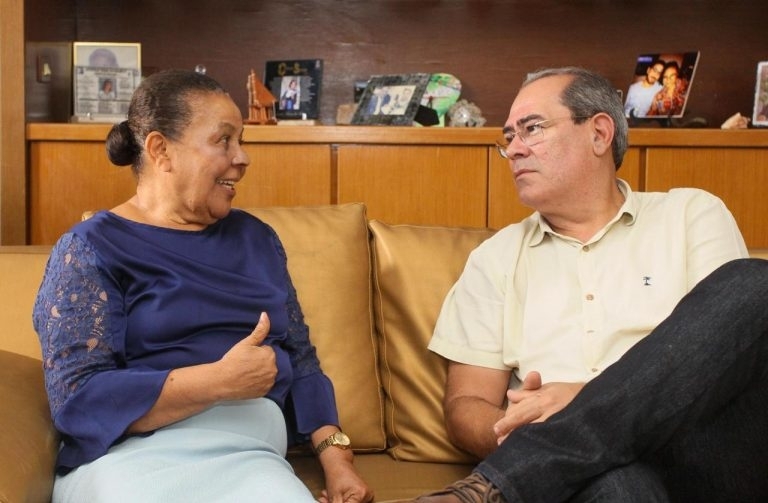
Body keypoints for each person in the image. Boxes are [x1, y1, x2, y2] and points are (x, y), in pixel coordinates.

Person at [415, 67, 768, 502]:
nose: (514, 150)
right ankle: (551, 462)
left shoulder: (692, 214)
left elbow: (731, 355)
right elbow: (465, 405)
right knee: (618, 485)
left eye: (532, 129)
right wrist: (522, 432)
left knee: (755, 282)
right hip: (588, 480)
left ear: (599, 133)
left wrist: (578, 407)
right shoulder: (495, 258)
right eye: (509, 138)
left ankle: (503, 483)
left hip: (705, 456)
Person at [33, 69, 373, 503]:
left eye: (242, 140)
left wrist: (339, 464)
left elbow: (301, 362)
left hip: (251, 456)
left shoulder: (258, 240)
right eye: (223, 140)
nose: (243, 157)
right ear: (161, 150)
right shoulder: (88, 249)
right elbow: (77, 400)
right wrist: (216, 381)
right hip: (127, 458)